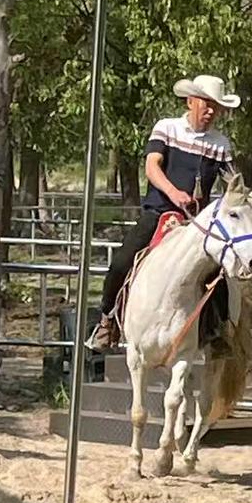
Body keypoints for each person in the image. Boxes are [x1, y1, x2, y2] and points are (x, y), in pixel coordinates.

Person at [86, 74, 240, 352]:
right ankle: (107, 321)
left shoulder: (221, 144)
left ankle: (219, 331)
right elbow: (152, 167)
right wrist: (174, 193)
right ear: (190, 101)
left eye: (215, 107)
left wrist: (241, 198)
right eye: (206, 104)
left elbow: (233, 182)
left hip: (196, 225)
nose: (210, 111)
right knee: (121, 263)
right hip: (158, 212)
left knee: (219, 274)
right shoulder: (167, 128)